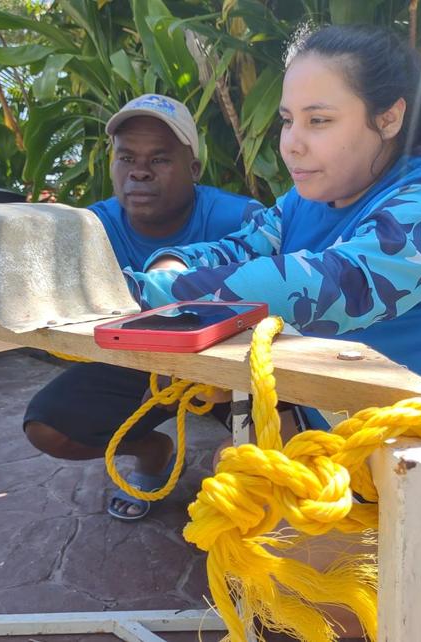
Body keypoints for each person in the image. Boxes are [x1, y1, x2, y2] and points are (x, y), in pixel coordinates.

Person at [124, 25, 421, 642]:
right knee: (250, 564)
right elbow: (239, 249)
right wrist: (170, 266)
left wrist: (147, 289)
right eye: (288, 120)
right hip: (357, 459)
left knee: (298, 597)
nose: (293, 144)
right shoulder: (308, 199)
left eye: (319, 120)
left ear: (389, 117)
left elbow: (330, 289)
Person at [23, 94, 263, 521]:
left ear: (194, 170)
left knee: (271, 463)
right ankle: (153, 452)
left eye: (159, 159)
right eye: (126, 157)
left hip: (234, 371)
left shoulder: (246, 222)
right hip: (140, 365)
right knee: (48, 426)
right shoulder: (89, 228)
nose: (139, 172)